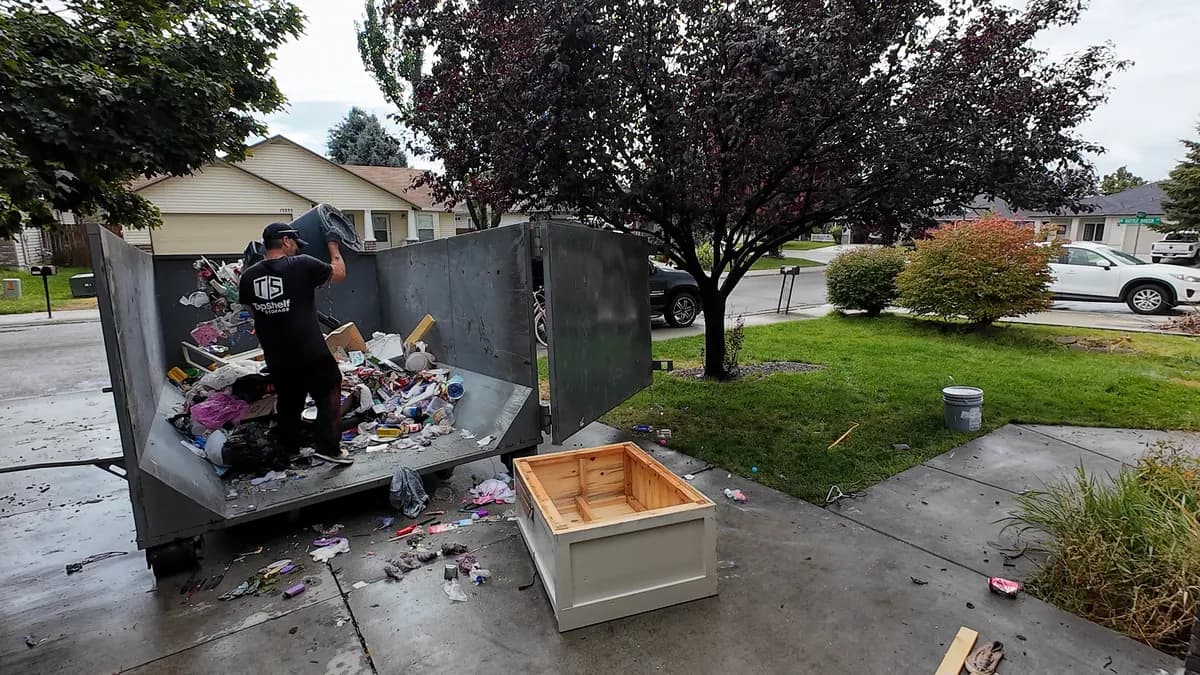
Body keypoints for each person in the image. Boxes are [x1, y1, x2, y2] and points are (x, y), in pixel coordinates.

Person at [239, 222, 347, 459]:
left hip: (277, 357)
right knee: (329, 392)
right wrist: (333, 245)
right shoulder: (302, 264)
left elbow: (255, 313)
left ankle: (289, 450)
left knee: (289, 402)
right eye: (296, 243)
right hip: (311, 352)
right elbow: (339, 273)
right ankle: (328, 449)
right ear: (286, 241)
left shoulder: (248, 277)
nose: (298, 248)